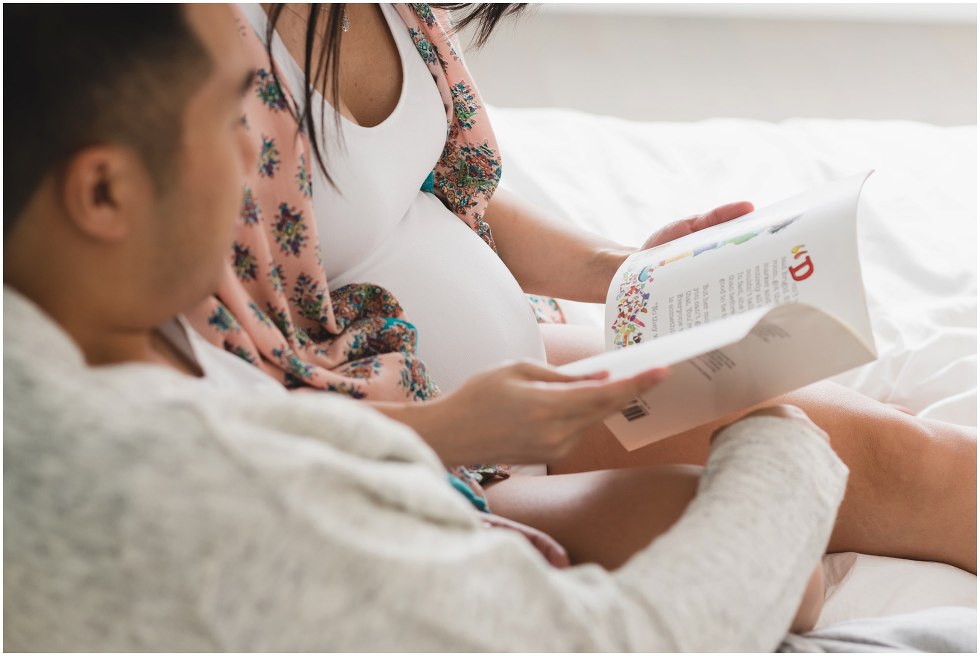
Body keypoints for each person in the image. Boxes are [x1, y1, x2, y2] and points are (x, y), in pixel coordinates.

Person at [2, 4, 847, 651]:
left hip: (468, 431)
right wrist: (778, 434)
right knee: (800, 525)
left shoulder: (65, 362)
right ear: (104, 193)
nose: (259, 167)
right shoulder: (228, 493)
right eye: (236, 122)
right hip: (463, 474)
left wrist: (451, 423)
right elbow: (624, 638)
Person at [190, 2, 977, 576]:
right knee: (784, 561)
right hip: (416, 448)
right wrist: (447, 438)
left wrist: (625, 267)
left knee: (909, 456)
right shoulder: (177, 54)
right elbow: (204, 376)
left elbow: (421, 188)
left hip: (523, 385)